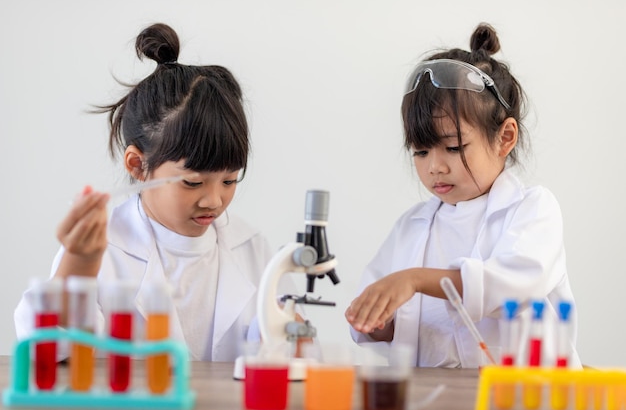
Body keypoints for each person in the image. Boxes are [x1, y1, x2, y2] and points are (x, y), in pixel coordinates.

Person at [14, 22, 299, 361]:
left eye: (229, 180)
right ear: (137, 165)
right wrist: (79, 263)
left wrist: (297, 341)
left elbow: (294, 352)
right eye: (192, 182)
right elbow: (47, 351)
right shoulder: (101, 247)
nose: (214, 200)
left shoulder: (252, 248)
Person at [344, 23, 580, 368]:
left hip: (524, 397)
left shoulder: (532, 210)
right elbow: (382, 323)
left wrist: (414, 279)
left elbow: (508, 286)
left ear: (505, 137)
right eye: (421, 152)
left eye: (453, 147)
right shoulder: (412, 227)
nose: (435, 167)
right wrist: (378, 323)